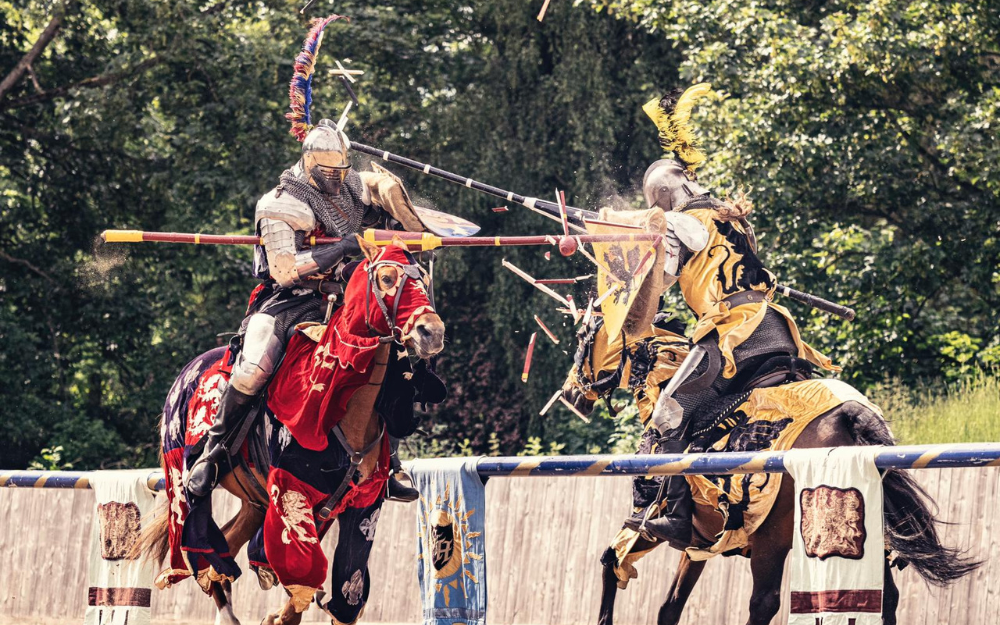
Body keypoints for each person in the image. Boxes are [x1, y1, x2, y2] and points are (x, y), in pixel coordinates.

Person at [622, 84, 840, 548]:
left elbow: (657, 282)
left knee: (667, 413)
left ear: (663, 199)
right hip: (777, 330)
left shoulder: (683, 222)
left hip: (733, 337)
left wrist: (646, 239)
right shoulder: (733, 221)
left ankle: (676, 514)